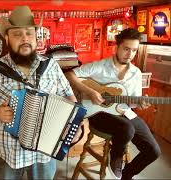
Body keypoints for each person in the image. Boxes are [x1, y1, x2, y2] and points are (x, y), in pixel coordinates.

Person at [0, 6, 77, 179]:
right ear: (7, 39)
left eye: (29, 33)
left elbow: (67, 94)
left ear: (36, 37)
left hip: (44, 150)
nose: (24, 39)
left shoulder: (50, 66)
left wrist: (75, 121)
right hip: (8, 150)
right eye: (17, 34)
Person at [65, 28, 161, 180]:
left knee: (154, 151)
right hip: (98, 114)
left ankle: (127, 174)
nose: (130, 54)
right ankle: (115, 157)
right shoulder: (100, 66)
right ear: (117, 47)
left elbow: (132, 103)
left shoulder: (136, 73)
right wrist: (90, 92)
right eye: (126, 49)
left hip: (124, 113)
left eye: (134, 51)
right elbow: (70, 75)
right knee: (127, 128)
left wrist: (140, 104)